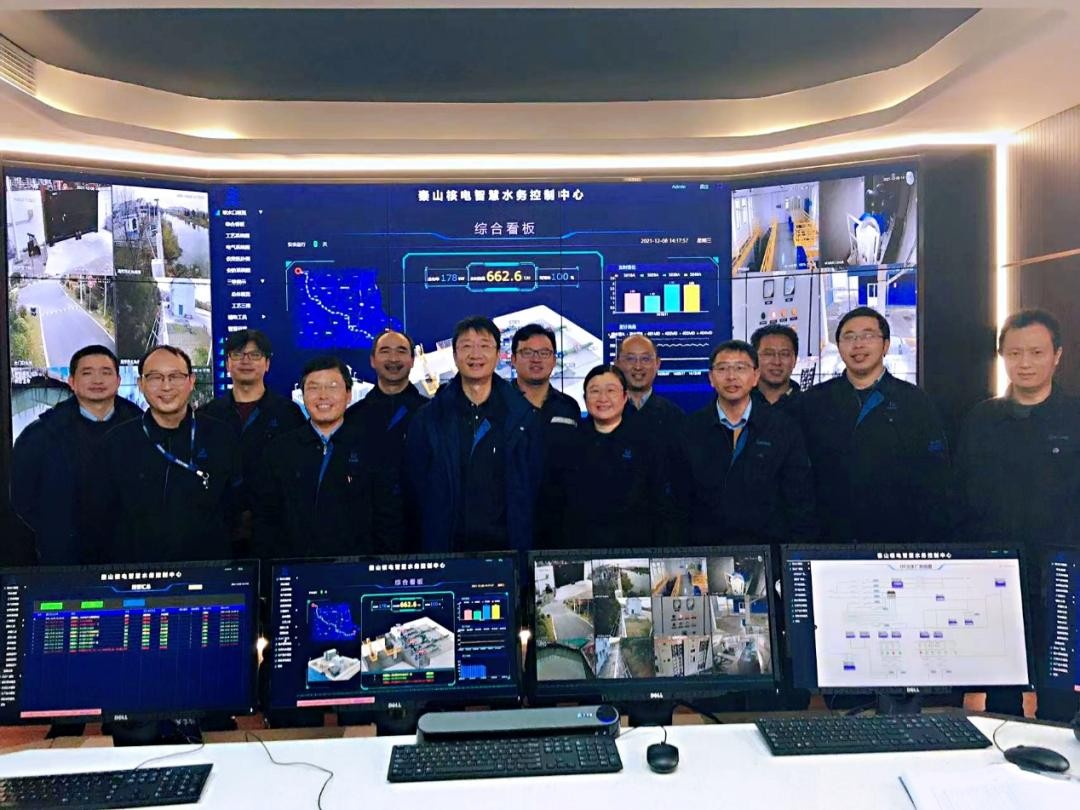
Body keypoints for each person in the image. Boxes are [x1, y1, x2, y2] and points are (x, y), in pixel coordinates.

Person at [957, 309, 1080, 720]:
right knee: (1001, 698)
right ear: (1002, 357)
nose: (1025, 363)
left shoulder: (1075, 417)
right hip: (997, 576)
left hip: (1063, 577)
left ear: (1057, 355)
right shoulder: (981, 419)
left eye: (1036, 352)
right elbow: (963, 497)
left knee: (1061, 695)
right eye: (1014, 353)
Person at [798, 306, 952, 544]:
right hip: (829, 539)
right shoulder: (814, 401)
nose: (858, 344)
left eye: (868, 336)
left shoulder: (914, 401)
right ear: (839, 346)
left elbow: (935, 477)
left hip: (897, 539)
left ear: (885, 345)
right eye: (849, 337)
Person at [93, 346, 242, 563]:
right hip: (136, 573)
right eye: (155, 377)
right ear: (140, 384)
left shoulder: (221, 436)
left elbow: (237, 508)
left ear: (191, 381)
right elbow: (100, 517)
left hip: (208, 571)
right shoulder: (116, 442)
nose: (166, 386)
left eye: (175, 377)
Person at [405, 315, 540, 552]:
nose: (475, 354)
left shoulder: (523, 418)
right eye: (466, 346)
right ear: (455, 355)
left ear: (498, 355)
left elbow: (534, 489)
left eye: (484, 346)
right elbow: (415, 488)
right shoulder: (428, 419)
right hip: (447, 551)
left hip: (506, 552)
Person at [253, 356, 402, 560]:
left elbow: (388, 520)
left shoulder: (373, 449)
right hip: (293, 569)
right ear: (303, 395)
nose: (323, 396)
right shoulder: (279, 451)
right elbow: (265, 520)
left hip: (356, 570)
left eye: (332, 387)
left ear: (348, 395)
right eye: (313, 388)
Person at [10, 345, 141, 564]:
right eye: (87, 373)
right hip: (65, 558)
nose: (97, 380)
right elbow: (22, 498)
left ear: (118, 381)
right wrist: (55, 530)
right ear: (72, 381)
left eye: (106, 372)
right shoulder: (41, 435)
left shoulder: (144, 431)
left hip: (133, 558)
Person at [679, 340, 816, 546]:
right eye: (722, 368)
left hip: (767, 548)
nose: (731, 376)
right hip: (706, 550)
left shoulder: (782, 428)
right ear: (711, 378)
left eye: (740, 368)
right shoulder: (690, 429)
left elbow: (799, 499)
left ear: (755, 377)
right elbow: (679, 502)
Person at [538, 364, 677, 548]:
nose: (603, 398)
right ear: (585, 398)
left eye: (611, 390)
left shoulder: (648, 442)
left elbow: (663, 506)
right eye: (595, 391)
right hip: (580, 550)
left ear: (625, 396)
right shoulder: (567, 444)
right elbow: (553, 506)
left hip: (636, 551)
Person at [198, 329, 305, 552]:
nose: (245, 361)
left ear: (267, 364)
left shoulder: (288, 414)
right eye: (237, 354)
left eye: (255, 355)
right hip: (219, 533)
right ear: (228, 363)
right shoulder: (207, 415)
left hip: (275, 533)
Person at [509, 323, 580, 459]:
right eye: (527, 353)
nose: (536, 359)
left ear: (554, 360)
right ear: (513, 360)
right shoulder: (497, 403)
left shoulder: (568, 407)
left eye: (544, 353)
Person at [614, 334, 685, 435]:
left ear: (657, 364)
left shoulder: (674, 417)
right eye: (630, 359)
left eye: (645, 359)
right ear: (617, 364)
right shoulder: (604, 411)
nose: (638, 367)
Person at [750, 324, 802, 412]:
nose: (777, 362)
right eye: (768, 354)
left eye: (784, 354)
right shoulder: (737, 406)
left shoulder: (809, 408)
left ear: (795, 360)